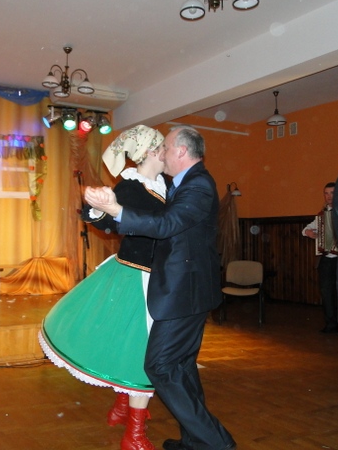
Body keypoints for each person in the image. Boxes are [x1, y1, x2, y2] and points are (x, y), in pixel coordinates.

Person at [85, 125, 236, 450]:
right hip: (183, 289)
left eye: (165, 147)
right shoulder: (182, 183)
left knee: (160, 366)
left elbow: (166, 225)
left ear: (181, 151)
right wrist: (104, 209)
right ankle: (196, 442)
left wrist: (117, 210)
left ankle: (216, 443)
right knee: (181, 368)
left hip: (184, 291)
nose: (161, 152)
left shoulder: (197, 185)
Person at [39, 125, 167, 450]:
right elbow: (105, 220)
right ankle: (133, 435)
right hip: (136, 277)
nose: (168, 152)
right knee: (140, 350)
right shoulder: (131, 186)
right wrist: (99, 205)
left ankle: (122, 408)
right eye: (163, 147)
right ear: (151, 151)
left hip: (158, 277)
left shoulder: (167, 184)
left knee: (130, 345)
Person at [302, 182, 338, 334]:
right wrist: (309, 233)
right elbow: (306, 229)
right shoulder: (322, 214)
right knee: (326, 292)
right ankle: (330, 324)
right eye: (326, 193)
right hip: (326, 259)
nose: (329, 196)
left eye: (332, 193)